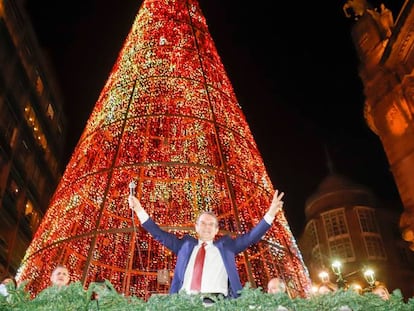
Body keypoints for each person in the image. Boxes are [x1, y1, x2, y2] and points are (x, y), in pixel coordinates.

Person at [129, 189, 285, 298]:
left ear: (217, 230)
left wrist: (270, 213)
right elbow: (159, 234)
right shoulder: (185, 245)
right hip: (186, 303)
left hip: (217, 304)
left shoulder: (227, 247)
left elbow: (251, 237)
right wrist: (139, 209)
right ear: (196, 227)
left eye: (211, 224)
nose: (207, 227)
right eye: (203, 223)